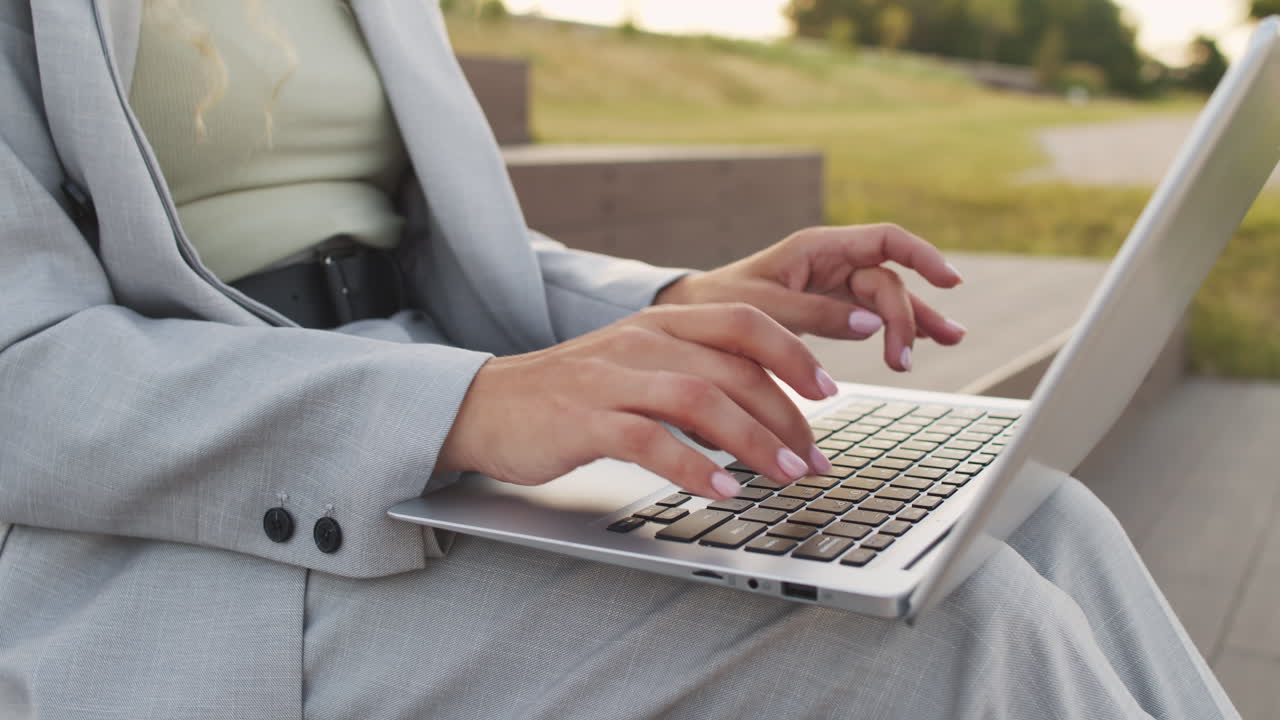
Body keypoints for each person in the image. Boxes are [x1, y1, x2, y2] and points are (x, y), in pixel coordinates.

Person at [0, 2, 1239, 718]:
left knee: (1043, 521)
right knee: (959, 638)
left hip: (420, 416)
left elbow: (404, 240)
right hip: (173, 529)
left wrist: (676, 303)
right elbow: (25, 369)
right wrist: (469, 405)